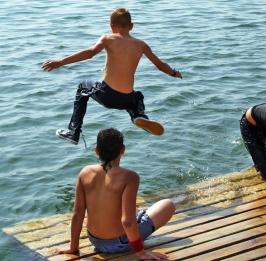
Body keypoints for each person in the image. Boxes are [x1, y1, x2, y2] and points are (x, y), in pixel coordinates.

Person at [42, 8, 182, 144]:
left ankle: (74, 132)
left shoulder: (108, 38)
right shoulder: (141, 45)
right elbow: (160, 65)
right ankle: (139, 116)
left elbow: (90, 53)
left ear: (111, 26)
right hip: (126, 99)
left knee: (82, 88)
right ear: (131, 26)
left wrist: (60, 62)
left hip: (107, 94)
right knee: (137, 97)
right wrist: (174, 73)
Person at [58, 128, 176, 260]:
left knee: (132, 212)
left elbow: (78, 213)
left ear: (97, 150)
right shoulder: (130, 177)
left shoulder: (84, 173)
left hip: (95, 240)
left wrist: (73, 247)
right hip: (119, 243)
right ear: (123, 150)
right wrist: (141, 252)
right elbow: (127, 222)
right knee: (168, 204)